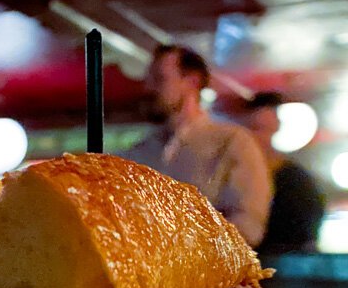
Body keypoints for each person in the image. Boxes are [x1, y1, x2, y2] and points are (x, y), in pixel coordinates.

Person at [123, 44, 271, 247]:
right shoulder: (142, 150)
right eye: (148, 80)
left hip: (205, 267)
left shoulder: (233, 142)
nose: (149, 88)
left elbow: (248, 226)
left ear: (192, 81)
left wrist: (183, 246)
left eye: (160, 78)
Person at [243, 91, 327, 255]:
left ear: (276, 127)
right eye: (254, 128)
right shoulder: (234, 174)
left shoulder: (295, 180)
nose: (257, 137)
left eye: (262, 129)